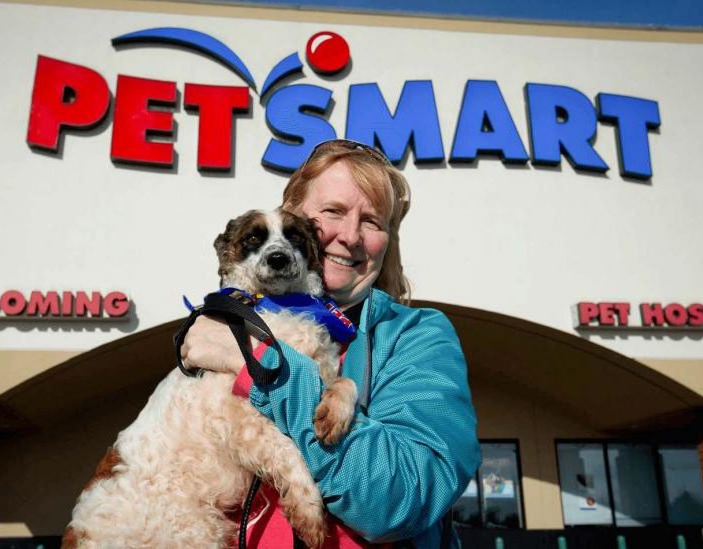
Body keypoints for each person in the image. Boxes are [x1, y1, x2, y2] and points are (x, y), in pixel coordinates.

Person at [182, 139, 480, 547]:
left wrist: (261, 364)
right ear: (293, 216)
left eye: (373, 222)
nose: (351, 236)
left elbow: (400, 499)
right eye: (333, 213)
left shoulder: (417, 337)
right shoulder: (230, 320)